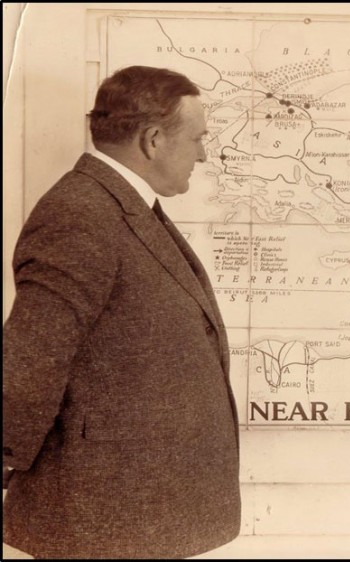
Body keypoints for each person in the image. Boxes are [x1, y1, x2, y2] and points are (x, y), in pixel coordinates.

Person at [3, 66, 241, 559]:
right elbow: (31, 358)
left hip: (136, 503)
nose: (202, 153)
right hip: (102, 510)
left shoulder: (118, 205)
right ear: (153, 140)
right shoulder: (81, 213)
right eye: (197, 139)